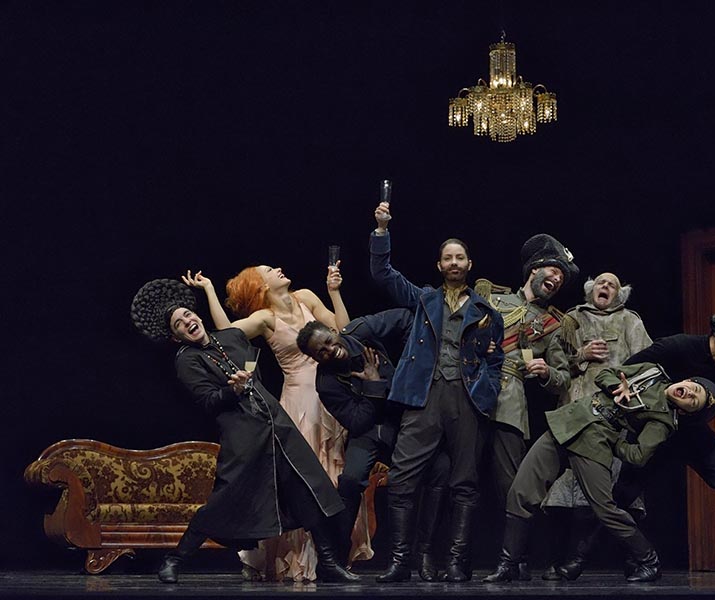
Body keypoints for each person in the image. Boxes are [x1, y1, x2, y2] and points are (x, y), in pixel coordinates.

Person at [129, 279, 359, 584]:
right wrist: (232, 389)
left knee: (308, 492)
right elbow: (208, 401)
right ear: (176, 337)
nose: (188, 322)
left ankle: (329, 563)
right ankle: (174, 560)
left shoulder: (230, 338)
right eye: (180, 324)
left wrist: (210, 291)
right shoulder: (187, 360)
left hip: (278, 427)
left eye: (188, 316)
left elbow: (243, 345)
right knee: (223, 501)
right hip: (244, 438)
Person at [483, 362, 715, 583]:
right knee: (521, 491)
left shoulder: (664, 420)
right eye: (694, 389)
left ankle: (649, 561)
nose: (689, 394)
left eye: (693, 401)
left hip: (595, 442)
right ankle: (508, 564)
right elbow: (604, 374)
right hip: (571, 421)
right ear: (688, 380)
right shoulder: (651, 372)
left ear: (686, 411)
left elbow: (638, 456)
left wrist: (614, 442)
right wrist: (618, 386)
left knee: (605, 509)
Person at [369, 201, 505, 582]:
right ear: (440, 266)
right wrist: (381, 230)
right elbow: (383, 274)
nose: (454, 262)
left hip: (466, 398)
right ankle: (399, 561)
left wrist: (488, 391)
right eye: (448, 258)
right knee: (402, 478)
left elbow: (496, 360)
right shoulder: (424, 299)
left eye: (460, 257)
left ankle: (457, 561)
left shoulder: (487, 313)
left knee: (464, 481)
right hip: (424, 396)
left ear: (469, 265)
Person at [296, 310, 452, 582]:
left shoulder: (361, 331)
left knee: (440, 468)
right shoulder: (327, 382)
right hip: (368, 432)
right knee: (351, 479)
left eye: (329, 342)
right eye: (321, 352)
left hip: (403, 421)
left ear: (334, 332)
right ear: (314, 359)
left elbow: (406, 318)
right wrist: (374, 386)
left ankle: (424, 553)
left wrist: (413, 360)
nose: (331, 351)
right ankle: (336, 561)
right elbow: (356, 422)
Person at [616, 314, 715, 581]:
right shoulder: (677, 346)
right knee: (622, 493)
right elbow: (626, 370)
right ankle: (620, 559)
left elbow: (707, 408)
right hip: (657, 430)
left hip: (690, 432)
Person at [473, 233, 579, 580]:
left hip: (509, 403)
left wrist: (547, 372)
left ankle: (517, 561)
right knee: (460, 481)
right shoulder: (492, 296)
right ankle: (454, 563)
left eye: (562, 277)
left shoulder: (552, 324)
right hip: (470, 394)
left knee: (512, 488)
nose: (557, 278)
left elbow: (563, 375)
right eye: (553, 269)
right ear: (534, 269)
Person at [541, 272, 652, 581]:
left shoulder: (630, 321)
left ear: (619, 295)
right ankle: (563, 558)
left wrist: (628, 389)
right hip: (572, 415)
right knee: (567, 493)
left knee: (611, 492)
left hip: (611, 419)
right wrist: (582, 354)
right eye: (601, 283)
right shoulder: (571, 319)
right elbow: (556, 362)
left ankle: (627, 558)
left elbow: (648, 365)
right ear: (590, 290)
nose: (605, 287)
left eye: (613, 285)